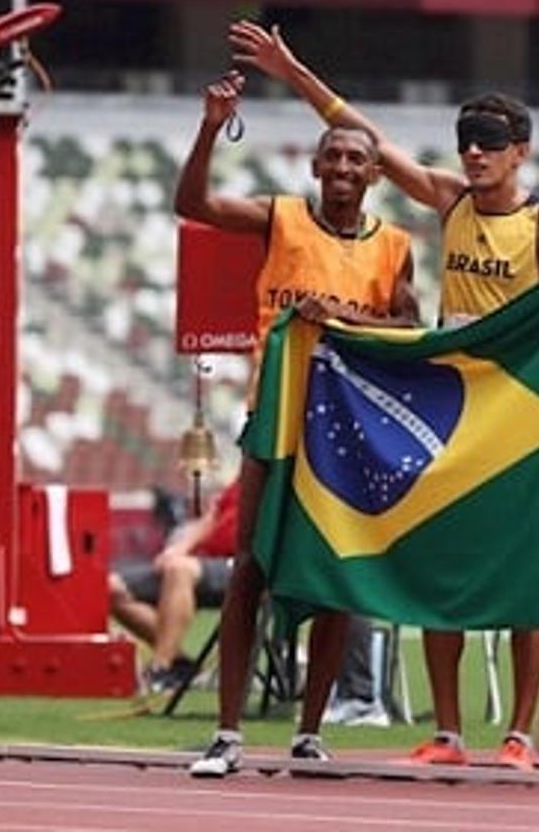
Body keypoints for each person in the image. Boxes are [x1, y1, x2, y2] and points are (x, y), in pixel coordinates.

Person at [230, 20, 539, 772]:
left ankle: (521, 735)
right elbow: (360, 133)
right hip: (451, 395)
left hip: (521, 403)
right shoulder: (448, 199)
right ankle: (450, 733)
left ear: (520, 151)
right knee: (439, 554)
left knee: (528, 564)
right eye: (467, 139)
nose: (475, 152)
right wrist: (294, 71)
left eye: (490, 142)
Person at [174, 69, 421, 778]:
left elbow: (408, 321)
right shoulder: (281, 218)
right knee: (249, 565)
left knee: (337, 574)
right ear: (315, 167)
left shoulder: (393, 245)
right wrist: (211, 126)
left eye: (356, 159)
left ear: (375, 174)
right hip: (274, 413)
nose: (343, 167)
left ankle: (310, 733)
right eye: (332, 157)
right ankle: (226, 734)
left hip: (346, 430)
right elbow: (191, 203)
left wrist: (342, 316)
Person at [107, 477, 240, 693]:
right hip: (204, 561)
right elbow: (213, 516)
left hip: (243, 565)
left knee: (179, 570)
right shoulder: (250, 471)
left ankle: (160, 669)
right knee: (111, 587)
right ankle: (181, 665)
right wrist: (179, 548)